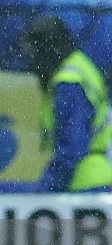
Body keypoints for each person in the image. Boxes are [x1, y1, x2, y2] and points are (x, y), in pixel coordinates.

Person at [18, 15, 112, 191]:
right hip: (99, 178)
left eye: (31, 53)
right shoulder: (80, 65)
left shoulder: (68, 83)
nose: (30, 62)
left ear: (46, 49)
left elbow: (73, 147)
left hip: (84, 185)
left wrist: (48, 188)